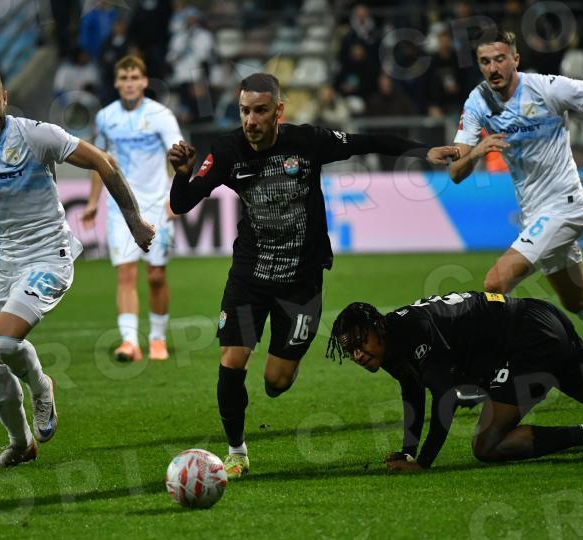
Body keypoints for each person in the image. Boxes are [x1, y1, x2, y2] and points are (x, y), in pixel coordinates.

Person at [168, 73, 459, 479]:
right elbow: (182, 203)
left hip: (301, 283)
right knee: (232, 360)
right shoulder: (227, 151)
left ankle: (284, 364)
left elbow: (366, 142)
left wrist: (423, 150)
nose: (250, 120)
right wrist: (182, 172)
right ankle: (236, 452)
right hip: (250, 278)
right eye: (244, 111)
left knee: (276, 382)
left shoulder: (307, 142)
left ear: (278, 111)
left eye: (260, 111)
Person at [0, 61, 154, 468]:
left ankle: (41, 385)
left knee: (4, 341)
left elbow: (104, 162)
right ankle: (21, 445)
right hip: (2, 263)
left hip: (50, 255)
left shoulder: (35, 135)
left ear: (5, 98)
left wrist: (134, 221)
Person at [449, 30, 583, 389]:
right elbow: (455, 172)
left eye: (500, 59)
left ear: (515, 60)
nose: (493, 68)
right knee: (578, 299)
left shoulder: (547, 88)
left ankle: (488, 376)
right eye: (485, 61)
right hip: (536, 214)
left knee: (495, 283)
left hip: (565, 205)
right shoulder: (478, 101)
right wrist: (478, 151)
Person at [327, 292, 583, 471]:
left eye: (360, 343)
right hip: (538, 317)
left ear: (378, 328)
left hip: (528, 340)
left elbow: (446, 397)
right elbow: (412, 390)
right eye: (349, 349)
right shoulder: (390, 341)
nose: (358, 354)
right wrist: (407, 452)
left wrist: (423, 463)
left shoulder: (412, 332)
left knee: (488, 444)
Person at [82, 55, 182, 362]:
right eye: (124, 78)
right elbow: (100, 163)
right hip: (120, 209)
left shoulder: (161, 115)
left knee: (156, 276)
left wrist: (177, 198)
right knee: (125, 274)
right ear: (116, 82)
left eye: (134, 77)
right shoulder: (105, 117)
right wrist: (93, 202)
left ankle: (157, 339)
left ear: (144, 81)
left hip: (156, 205)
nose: (129, 83)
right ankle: (129, 343)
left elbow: (179, 156)